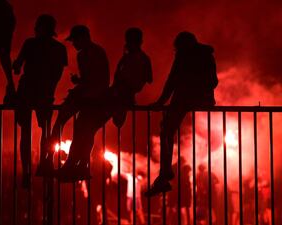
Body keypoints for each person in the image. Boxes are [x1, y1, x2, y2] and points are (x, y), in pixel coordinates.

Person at [55, 27, 152, 182]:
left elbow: (130, 82)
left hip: (113, 99)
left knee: (83, 127)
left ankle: (74, 165)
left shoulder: (134, 59)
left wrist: (122, 94)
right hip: (112, 98)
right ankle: (79, 165)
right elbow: (145, 79)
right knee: (86, 129)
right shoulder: (134, 58)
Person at [146, 31, 218, 196]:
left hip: (184, 99)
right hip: (202, 100)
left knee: (166, 129)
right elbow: (213, 81)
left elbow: (172, 81)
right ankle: (164, 174)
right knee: (167, 128)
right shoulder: (207, 55)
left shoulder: (183, 55)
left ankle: (164, 173)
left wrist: (161, 102)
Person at [37, 25, 110, 177]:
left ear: (82, 38)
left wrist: (78, 87)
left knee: (62, 123)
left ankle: (53, 160)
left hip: (89, 97)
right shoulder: (98, 51)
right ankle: (80, 165)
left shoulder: (84, 54)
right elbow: (98, 78)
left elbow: (90, 80)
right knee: (85, 131)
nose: (74, 44)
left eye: (75, 40)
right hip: (98, 97)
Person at [12, 14, 67, 188]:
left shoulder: (30, 44)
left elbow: (18, 66)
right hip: (45, 93)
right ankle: (45, 163)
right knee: (46, 131)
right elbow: (58, 74)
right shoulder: (59, 48)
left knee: (25, 133)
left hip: (27, 91)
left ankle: (26, 170)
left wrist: (15, 66)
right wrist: (49, 89)